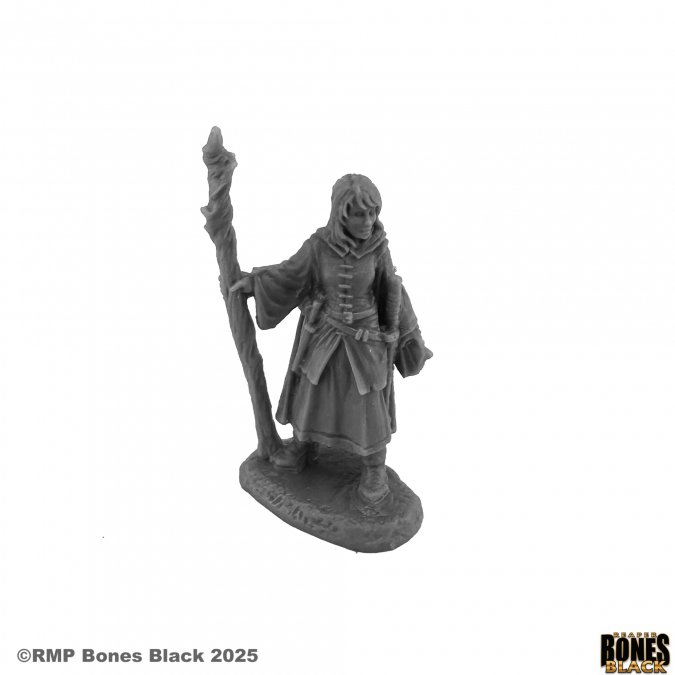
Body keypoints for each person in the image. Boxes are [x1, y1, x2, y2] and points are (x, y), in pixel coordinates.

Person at [231, 174, 431, 503]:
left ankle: (374, 469)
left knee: (367, 405)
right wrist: (256, 282)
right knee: (312, 393)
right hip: (325, 334)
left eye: (373, 213)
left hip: (366, 341)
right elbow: (290, 273)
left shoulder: (378, 249)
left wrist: (410, 336)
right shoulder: (319, 246)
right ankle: (303, 446)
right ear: (341, 213)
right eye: (359, 214)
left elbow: (393, 289)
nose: (368, 221)